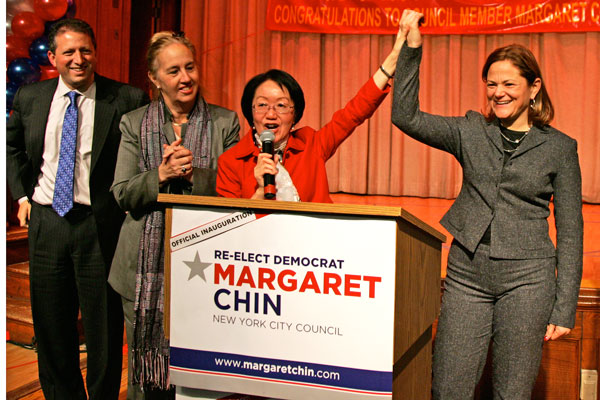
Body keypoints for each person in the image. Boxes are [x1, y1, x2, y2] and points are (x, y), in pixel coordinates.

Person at [391, 10, 583, 399]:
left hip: (529, 279)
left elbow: (571, 230)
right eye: (491, 84)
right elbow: (404, 115)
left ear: (534, 87)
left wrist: (564, 307)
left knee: (511, 392)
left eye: (509, 83)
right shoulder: (469, 131)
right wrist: (412, 49)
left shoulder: (561, 148)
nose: (498, 92)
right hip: (466, 275)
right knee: (448, 388)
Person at [6, 18, 149, 400]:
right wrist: (22, 196)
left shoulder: (127, 99)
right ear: (52, 57)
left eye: (85, 50)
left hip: (99, 226)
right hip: (47, 224)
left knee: (103, 328)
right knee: (52, 327)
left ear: (95, 52)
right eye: (68, 51)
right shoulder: (31, 98)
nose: (78, 59)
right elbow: (12, 148)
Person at [108, 31, 240, 399]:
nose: (185, 78)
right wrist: (161, 175)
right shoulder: (133, 124)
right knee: (145, 377)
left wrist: (192, 175)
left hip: (204, 267)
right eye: (173, 71)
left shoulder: (225, 123)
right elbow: (122, 193)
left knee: (196, 372)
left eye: (190, 67)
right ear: (154, 79)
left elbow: (234, 191)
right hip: (140, 269)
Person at [216, 31, 408, 202]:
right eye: (262, 105)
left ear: (295, 114)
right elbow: (230, 230)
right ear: (250, 111)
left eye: (281, 105)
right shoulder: (230, 162)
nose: (271, 114)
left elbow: (354, 113)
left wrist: (392, 60)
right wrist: (259, 192)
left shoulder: (311, 145)